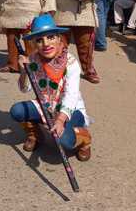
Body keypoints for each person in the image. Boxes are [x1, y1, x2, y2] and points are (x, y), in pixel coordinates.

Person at [9, 13, 92, 161]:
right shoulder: (33, 58)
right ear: (34, 43)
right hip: (45, 105)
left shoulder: (71, 62)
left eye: (50, 37)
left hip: (71, 110)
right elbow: (25, 89)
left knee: (64, 140)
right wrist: (24, 72)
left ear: (59, 38)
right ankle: (35, 134)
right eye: (40, 40)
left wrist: (60, 120)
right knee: (17, 111)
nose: (46, 44)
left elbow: (71, 95)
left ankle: (85, 140)